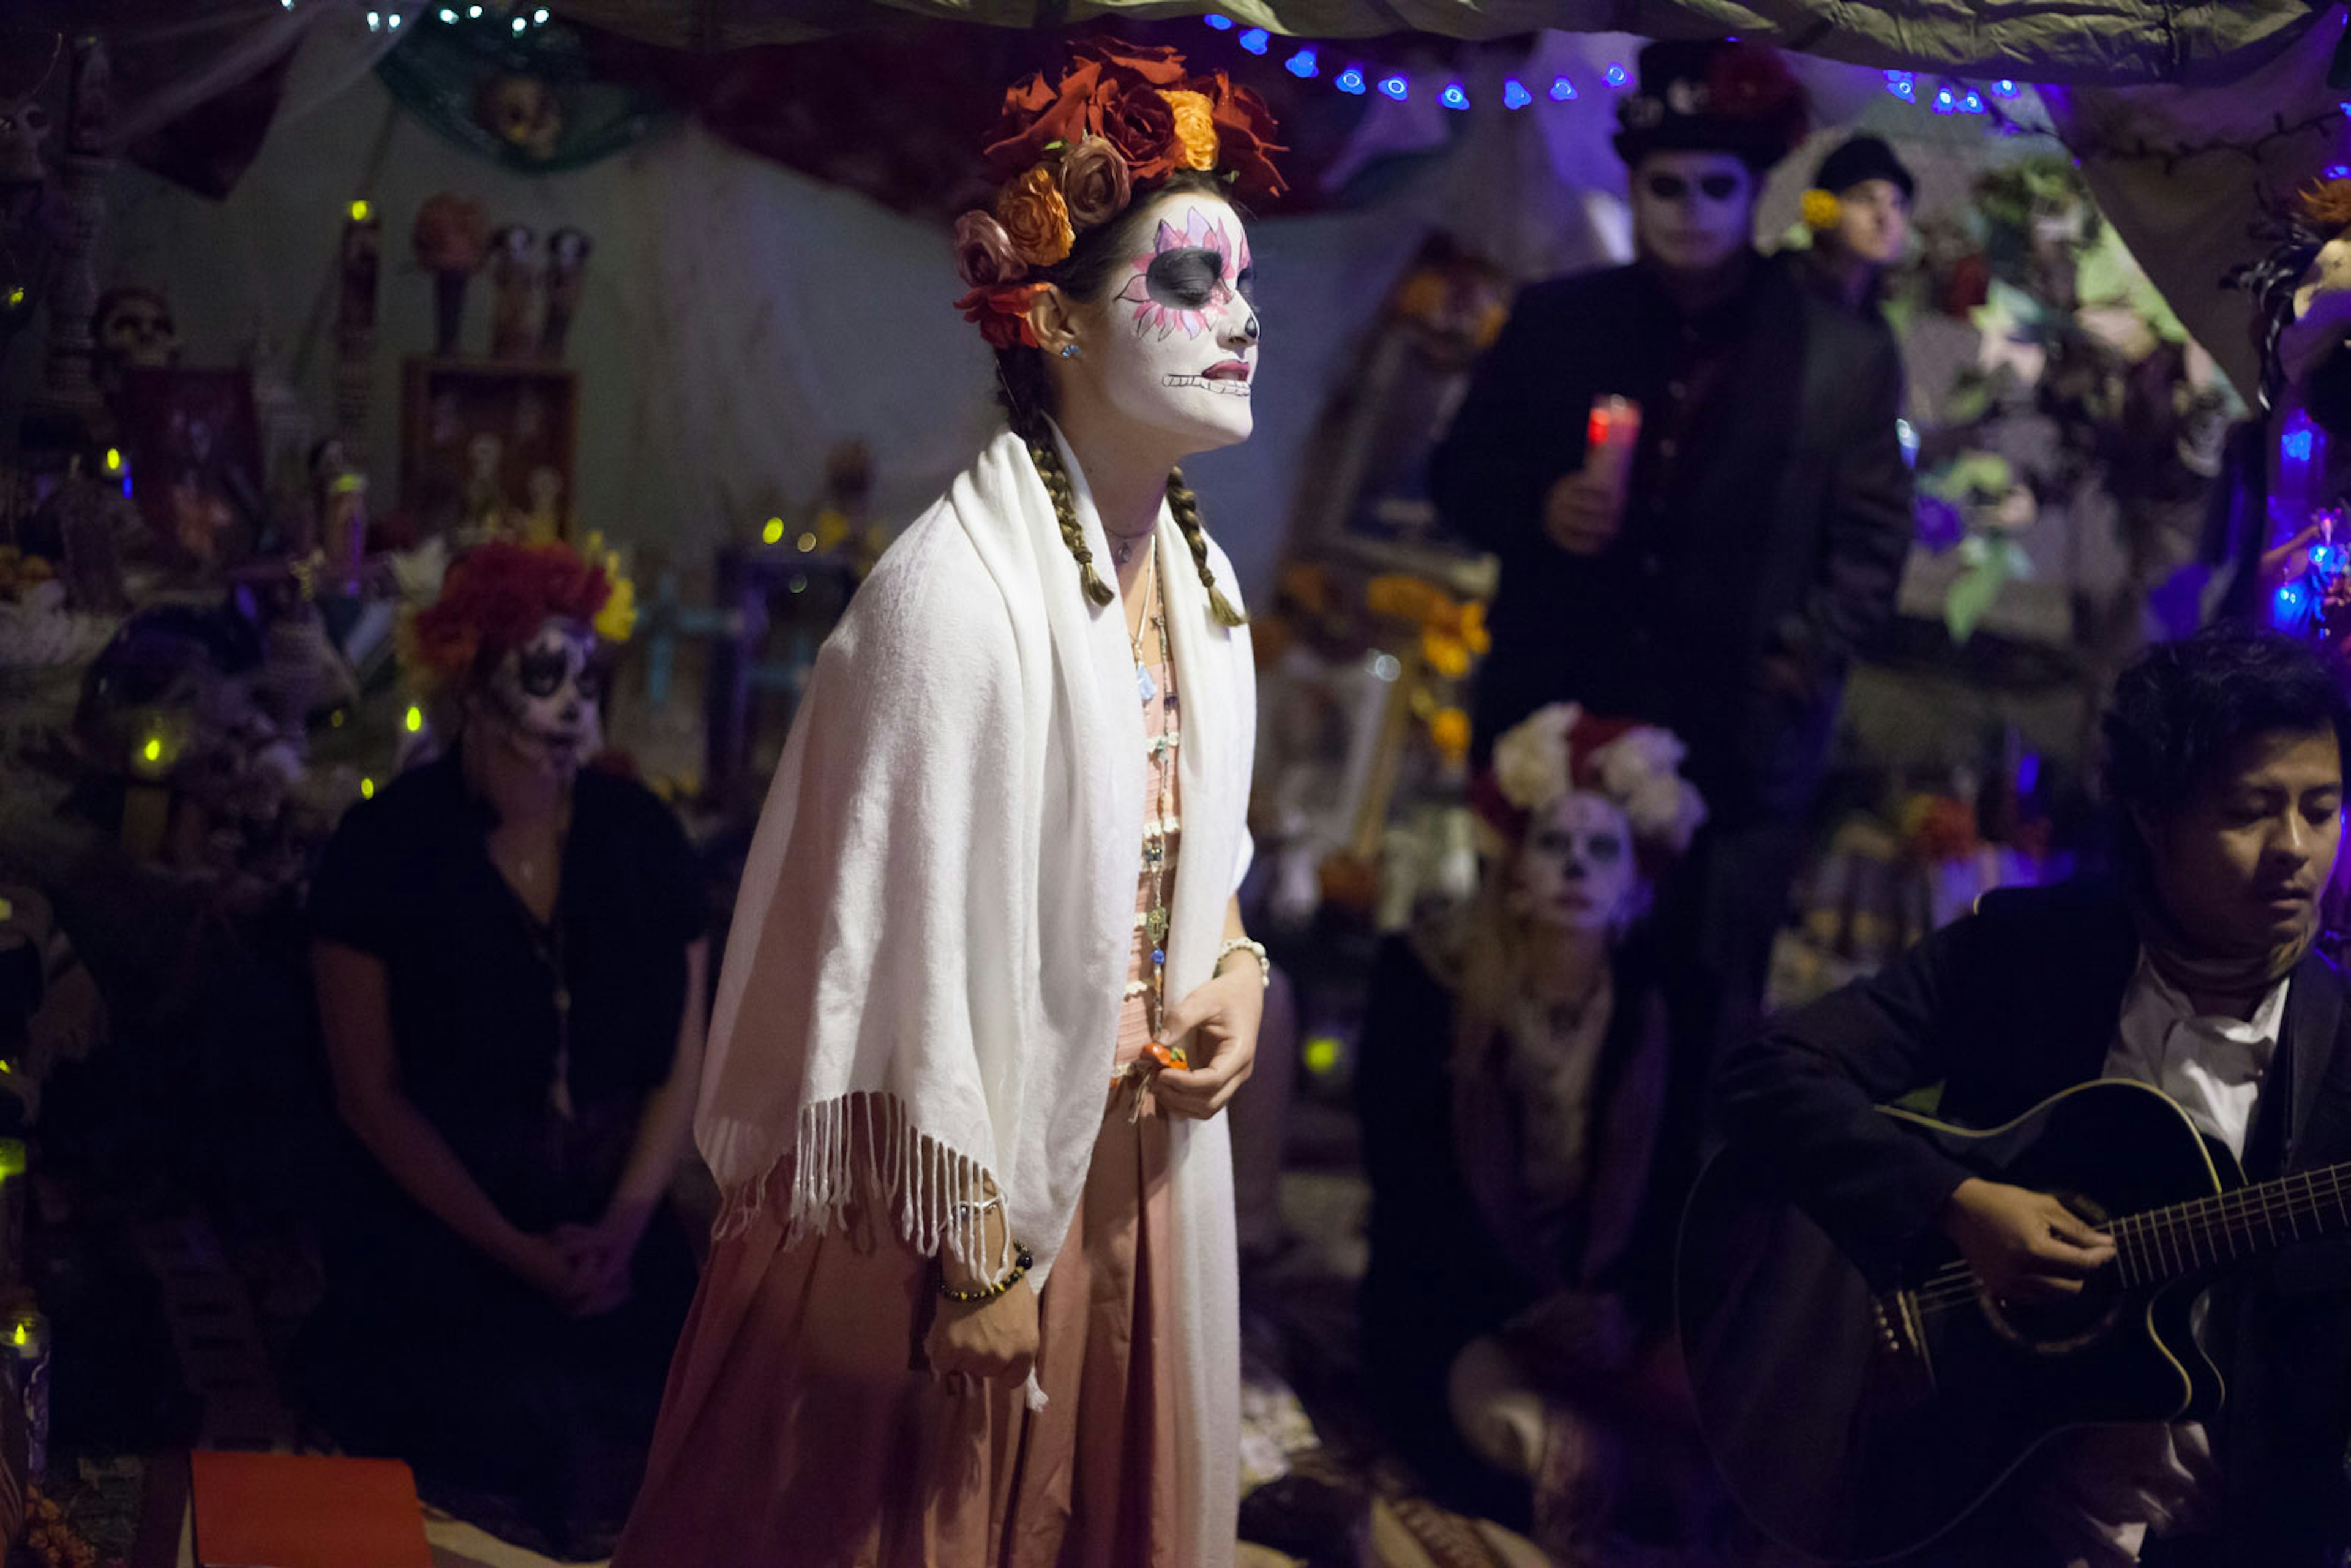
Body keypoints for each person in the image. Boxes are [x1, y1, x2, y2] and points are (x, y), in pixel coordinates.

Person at [613, 39, 1278, 1568]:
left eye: (1242, 280)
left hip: (1133, 1157)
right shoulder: (947, 603)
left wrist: (1236, 968)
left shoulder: (1198, 575)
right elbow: (889, 945)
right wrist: (975, 1259)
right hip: (947, 1179)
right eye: (1188, 280)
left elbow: (1195, 864)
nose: (1239, 318)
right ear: (1047, 317)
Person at [1714, 622, 2351, 1566]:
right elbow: (1768, 1076)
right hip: (1972, 1501)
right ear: (2151, 814)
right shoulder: (2030, 954)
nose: (2295, 850)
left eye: (2324, 809)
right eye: (2251, 811)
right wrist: (1957, 1203)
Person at [1428, 39, 1915, 1092]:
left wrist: (1793, 668)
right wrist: (1538, 506)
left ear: (1753, 190)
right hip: (1553, 718)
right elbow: (1457, 477)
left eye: (1715, 185)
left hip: (1733, 746)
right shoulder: (1561, 320)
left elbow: (1873, 550)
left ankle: (1659, 1254)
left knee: (1696, 1024)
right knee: (1516, 1004)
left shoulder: (1842, 353)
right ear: (1633, 184)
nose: (1690, 207)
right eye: (1666, 186)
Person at [302, 541, 705, 1555]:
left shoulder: (644, 841)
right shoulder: (382, 853)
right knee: (466, 1418)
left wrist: (621, 1223)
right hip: (444, 1228)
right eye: (538, 673)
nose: (570, 708)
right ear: (470, 684)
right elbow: (369, 1096)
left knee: (659, 1409)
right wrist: (514, 1248)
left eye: (584, 675)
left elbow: (680, 1062)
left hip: (612, 1239)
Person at [1357, 704, 1716, 1562]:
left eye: (1602, 850)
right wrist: (1518, 1310)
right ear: (1517, 865)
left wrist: (1621, 1309)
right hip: (1454, 1306)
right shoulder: (1426, 983)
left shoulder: (1668, 1013)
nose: (1576, 867)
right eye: (1556, 843)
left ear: (1636, 884)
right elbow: (1406, 1187)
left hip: (1599, 1319)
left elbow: (1678, 1193)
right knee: (1536, 1455)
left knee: (1693, 1472)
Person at [1798, 133, 1916, 317]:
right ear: (1821, 211)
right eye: (1865, 199)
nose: (1885, 217)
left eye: (1897, 204)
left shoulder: (1873, 323)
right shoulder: (1780, 297)